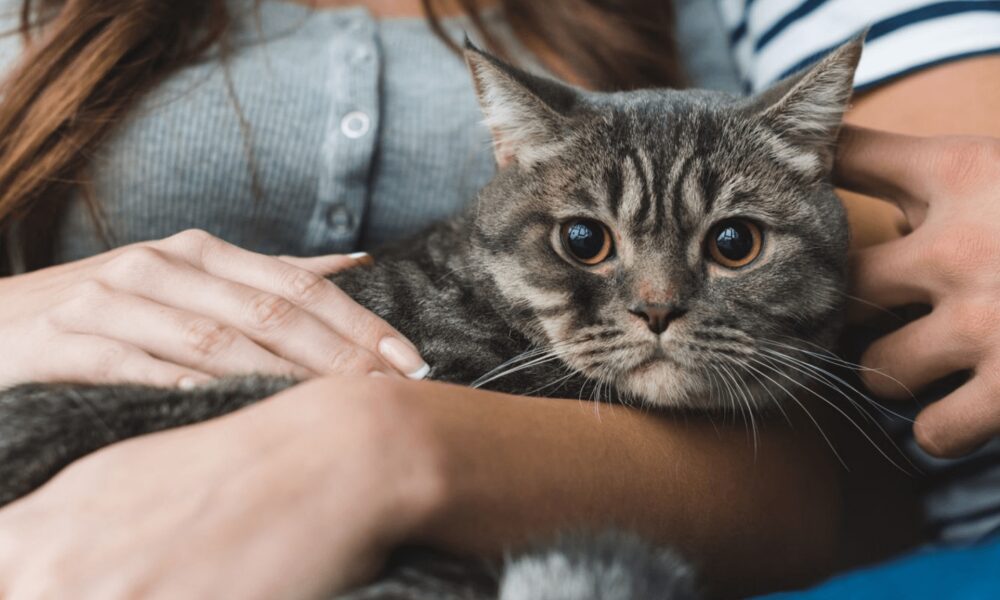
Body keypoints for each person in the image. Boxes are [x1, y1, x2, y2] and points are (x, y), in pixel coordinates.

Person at [0, 1, 996, 599]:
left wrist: (378, 442)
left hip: (607, 502)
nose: (654, 300)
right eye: (589, 240)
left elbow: (944, 312)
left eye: (727, 242)